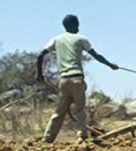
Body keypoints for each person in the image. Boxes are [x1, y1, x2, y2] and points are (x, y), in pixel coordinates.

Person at [36, 14, 118, 143]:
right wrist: (110, 65)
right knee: (80, 109)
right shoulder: (81, 39)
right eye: (77, 24)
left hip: (63, 80)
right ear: (74, 25)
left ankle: (47, 139)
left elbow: (40, 55)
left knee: (60, 111)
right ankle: (82, 136)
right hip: (77, 79)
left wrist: (40, 74)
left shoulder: (56, 40)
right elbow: (95, 55)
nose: (79, 27)